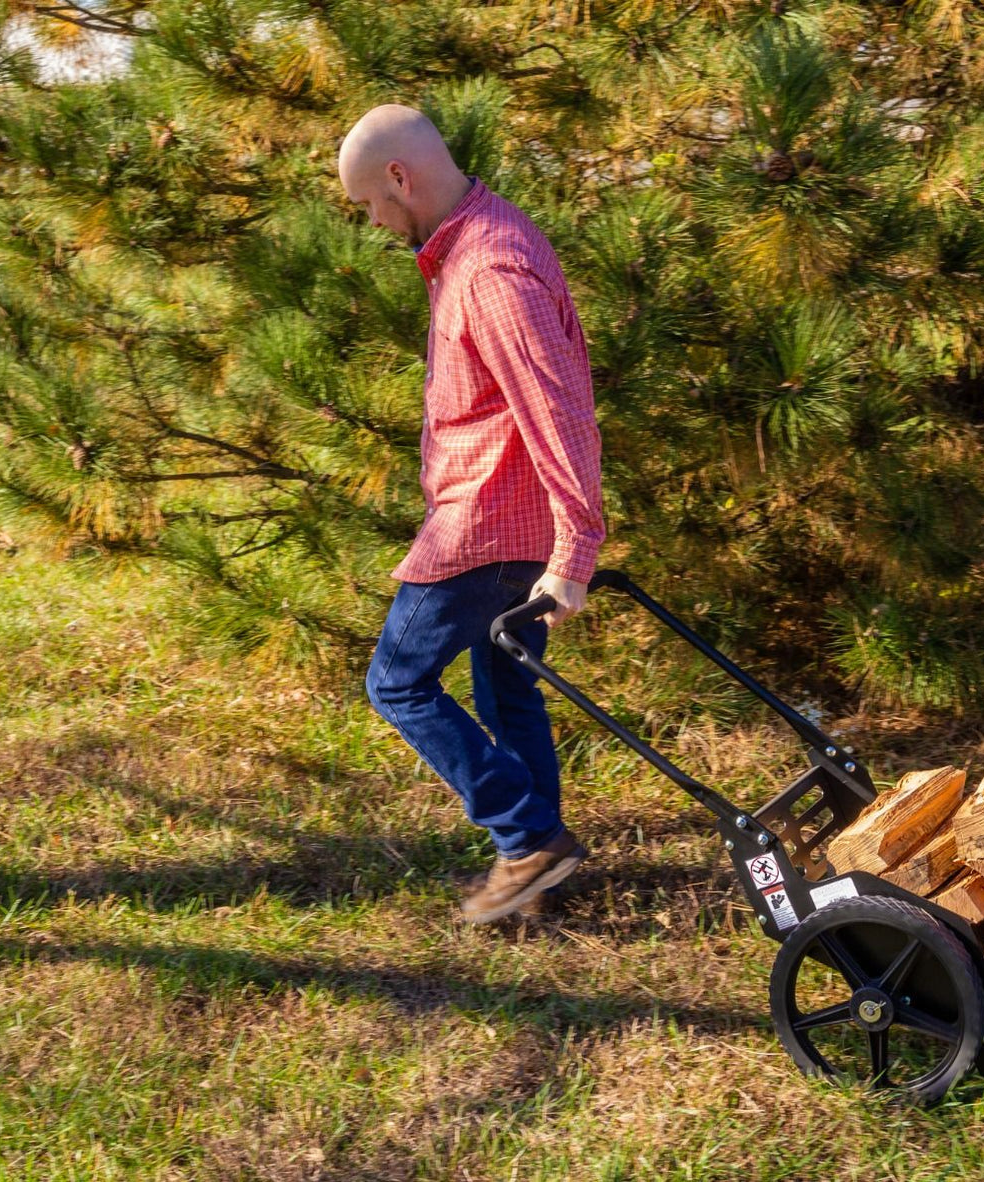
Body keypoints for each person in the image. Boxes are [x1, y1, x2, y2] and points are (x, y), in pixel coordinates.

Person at [338, 104, 604, 923]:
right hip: (506, 517)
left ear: (398, 176)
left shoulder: (489, 269)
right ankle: (535, 865)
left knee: (398, 681)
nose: (375, 222)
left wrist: (575, 549)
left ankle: (524, 839)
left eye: (370, 205)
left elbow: (554, 408)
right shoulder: (486, 232)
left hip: (486, 526)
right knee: (506, 685)